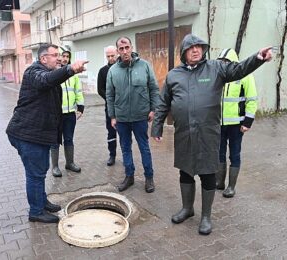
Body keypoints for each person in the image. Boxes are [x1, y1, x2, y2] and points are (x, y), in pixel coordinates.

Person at [151, 34, 272, 235]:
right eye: (191, 48)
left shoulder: (216, 68)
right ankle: (187, 209)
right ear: (184, 52)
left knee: (208, 174)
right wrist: (157, 127)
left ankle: (206, 216)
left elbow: (239, 69)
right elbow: (163, 103)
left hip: (208, 134)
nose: (196, 50)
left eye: (199, 47)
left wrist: (257, 58)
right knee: (185, 171)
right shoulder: (174, 75)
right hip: (184, 134)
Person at [6, 43, 88, 223]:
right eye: (55, 55)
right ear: (43, 58)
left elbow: (51, 81)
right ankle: (36, 211)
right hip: (27, 134)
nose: (59, 58)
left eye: (60, 55)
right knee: (35, 174)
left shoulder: (45, 73)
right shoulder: (33, 72)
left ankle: (42, 202)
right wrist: (70, 69)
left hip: (36, 134)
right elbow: (46, 80)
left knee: (40, 171)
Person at [106, 36, 159, 193]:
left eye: (127, 47)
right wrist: (113, 116)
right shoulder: (113, 71)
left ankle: (149, 177)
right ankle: (129, 176)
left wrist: (153, 109)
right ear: (117, 51)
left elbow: (154, 89)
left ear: (131, 47)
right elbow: (110, 95)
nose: (125, 51)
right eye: (121, 49)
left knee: (144, 148)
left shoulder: (144, 66)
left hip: (140, 116)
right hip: (122, 118)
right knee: (125, 148)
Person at [216, 48, 258, 198]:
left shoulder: (245, 75)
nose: (222, 64)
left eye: (225, 62)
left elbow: (252, 99)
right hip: (219, 123)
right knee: (219, 153)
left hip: (237, 124)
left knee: (234, 154)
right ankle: (219, 182)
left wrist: (247, 122)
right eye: (221, 62)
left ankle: (231, 187)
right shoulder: (219, 75)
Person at [50, 50, 85, 177]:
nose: (65, 58)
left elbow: (78, 91)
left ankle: (70, 163)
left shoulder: (74, 74)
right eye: (63, 56)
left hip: (70, 113)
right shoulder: (53, 73)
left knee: (69, 139)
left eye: (67, 57)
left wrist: (80, 107)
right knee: (54, 140)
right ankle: (54, 167)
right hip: (56, 114)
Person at [97, 46, 118, 166]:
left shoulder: (123, 68)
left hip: (124, 107)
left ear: (117, 54)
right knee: (111, 132)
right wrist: (110, 99)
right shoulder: (103, 71)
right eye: (108, 56)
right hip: (110, 107)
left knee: (125, 132)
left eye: (112, 55)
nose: (110, 58)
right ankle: (112, 155)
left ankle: (127, 155)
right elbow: (100, 89)